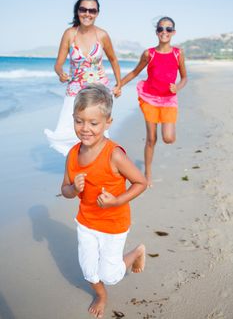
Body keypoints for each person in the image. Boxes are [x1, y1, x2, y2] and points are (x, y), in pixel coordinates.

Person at [61, 85, 147, 318]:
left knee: (111, 275)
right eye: (79, 121)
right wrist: (73, 188)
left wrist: (116, 201)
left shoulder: (114, 154)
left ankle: (137, 251)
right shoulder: (72, 154)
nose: (85, 129)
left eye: (93, 123)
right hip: (86, 223)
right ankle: (101, 295)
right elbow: (65, 190)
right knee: (89, 271)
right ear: (73, 119)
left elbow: (141, 182)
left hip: (113, 224)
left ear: (107, 122)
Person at [44, 0, 121, 156]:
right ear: (77, 11)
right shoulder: (69, 34)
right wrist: (61, 73)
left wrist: (118, 84)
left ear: (97, 13)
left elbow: (113, 60)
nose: (87, 14)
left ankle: (100, 165)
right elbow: (58, 64)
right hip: (75, 88)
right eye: (83, 9)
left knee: (98, 129)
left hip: (99, 89)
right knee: (68, 129)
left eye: (92, 10)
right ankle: (79, 163)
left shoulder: (102, 35)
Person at [119, 17, 187, 187]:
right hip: (149, 98)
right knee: (151, 138)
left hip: (169, 100)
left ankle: (169, 131)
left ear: (173, 32)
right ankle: (148, 173)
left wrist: (177, 87)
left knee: (169, 138)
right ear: (157, 32)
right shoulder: (149, 53)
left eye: (168, 29)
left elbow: (185, 77)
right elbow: (135, 72)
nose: (164, 32)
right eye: (161, 28)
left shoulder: (178, 53)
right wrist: (119, 85)